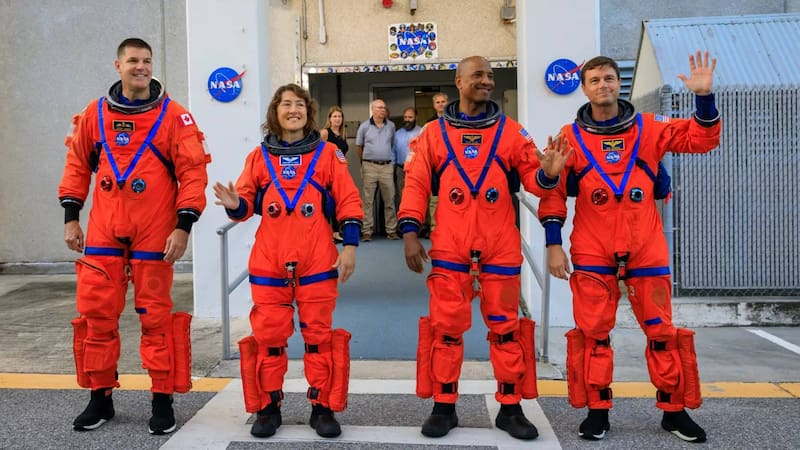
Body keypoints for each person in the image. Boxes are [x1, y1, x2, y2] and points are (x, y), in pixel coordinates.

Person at [538, 51, 721, 443]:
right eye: (595, 80)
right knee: (593, 334)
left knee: (661, 332)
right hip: (592, 248)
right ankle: (598, 411)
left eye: (608, 78)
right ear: (584, 89)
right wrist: (554, 244)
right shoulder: (568, 138)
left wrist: (704, 98)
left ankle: (674, 411)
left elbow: (702, 139)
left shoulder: (651, 128)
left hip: (645, 247)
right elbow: (551, 194)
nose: (602, 85)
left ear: (617, 83)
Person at [398, 56, 569, 440]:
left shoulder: (512, 132)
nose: (487, 81)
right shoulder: (432, 134)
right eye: (479, 75)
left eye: (491, 76)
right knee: (445, 330)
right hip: (451, 247)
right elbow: (416, 185)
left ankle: (510, 408)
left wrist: (549, 173)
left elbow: (534, 182)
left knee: (506, 330)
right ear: (458, 81)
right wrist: (410, 233)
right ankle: (444, 407)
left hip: (499, 247)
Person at [58, 38, 211, 435]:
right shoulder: (95, 114)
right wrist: (71, 218)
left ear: (151, 65)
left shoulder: (175, 117)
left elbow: (193, 175)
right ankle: (100, 398)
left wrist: (183, 226)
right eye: (132, 60)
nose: (140, 67)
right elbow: (77, 165)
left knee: (156, 318)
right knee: (97, 317)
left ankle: (162, 400)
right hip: (106, 230)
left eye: (146, 61)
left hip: (155, 233)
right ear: (118, 65)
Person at [213, 83, 363, 439]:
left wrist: (351, 246)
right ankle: (268, 407)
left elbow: (348, 201)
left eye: (299, 104)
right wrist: (235, 204)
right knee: (269, 339)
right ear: (274, 113)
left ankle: (322, 407)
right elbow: (245, 205)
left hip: (316, 260)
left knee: (318, 339)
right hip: (270, 261)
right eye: (285, 104)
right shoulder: (258, 157)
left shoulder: (328, 155)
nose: (292, 109)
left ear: (308, 112)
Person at [355, 99, 399, 241]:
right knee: (367, 200)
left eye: (384, 108)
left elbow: (391, 144)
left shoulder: (391, 126)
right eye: (379, 108)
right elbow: (359, 146)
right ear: (372, 110)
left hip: (386, 166)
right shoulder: (364, 126)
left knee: (390, 200)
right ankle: (367, 231)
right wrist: (366, 161)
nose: (382, 110)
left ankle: (391, 230)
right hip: (369, 166)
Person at [320, 106, 350, 242]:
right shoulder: (325, 133)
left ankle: (336, 231)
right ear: (330, 119)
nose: (337, 119)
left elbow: (342, 154)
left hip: (340, 172)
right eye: (335, 116)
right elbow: (318, 153)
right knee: (327, 202)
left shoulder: (343, 133)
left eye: (339, 116)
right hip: (327, 172)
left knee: (338, 202)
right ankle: (325, 231)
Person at [421, 92, 449, 237]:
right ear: (434, 106)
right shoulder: (428, 125)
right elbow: (422, 147)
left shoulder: (455, 122)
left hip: (453, 167)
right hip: (436, 168)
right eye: (438, 102)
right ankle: (434, 228)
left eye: (443, 101)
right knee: (435, 200)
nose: (441, 104)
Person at [393, 106, 422, 206]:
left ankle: (419, 221)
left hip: (416, 170)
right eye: (405, 117)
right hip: (401, 170)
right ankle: (404, 220)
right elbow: (393, 153)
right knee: (402, 196)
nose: (407, 120)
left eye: (410, 117)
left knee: (417, 195)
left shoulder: (422, 132)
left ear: (416, 118)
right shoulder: (397, 134)